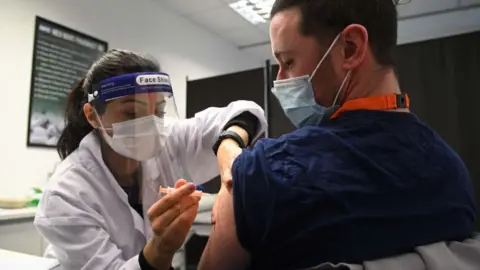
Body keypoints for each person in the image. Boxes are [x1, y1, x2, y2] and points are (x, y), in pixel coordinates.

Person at [199, 1, 476, 269]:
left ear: (350, 48)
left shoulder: (264, 175)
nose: (280, 80)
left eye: (288, 61)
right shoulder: (453, 176)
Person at [33, 49, 267, 270]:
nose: (151, 125)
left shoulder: (170, 140)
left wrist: (228, 142)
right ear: (93, 116)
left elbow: (245, 111)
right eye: (132, 113)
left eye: (159, 112)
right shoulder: (66, 194)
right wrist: (161, 248)